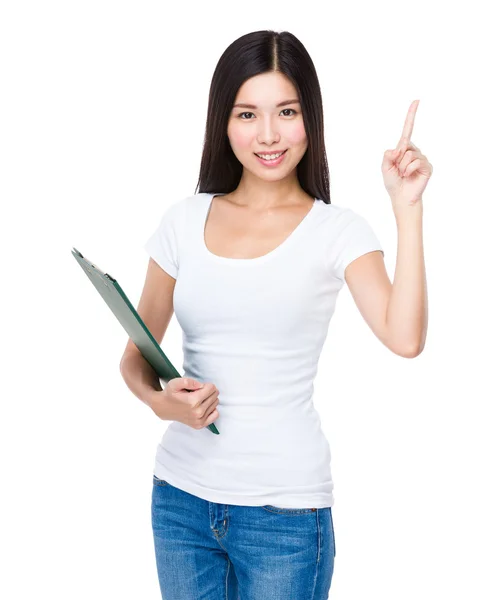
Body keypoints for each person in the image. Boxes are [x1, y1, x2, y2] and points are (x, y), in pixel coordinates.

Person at [119, 29, 430, 600]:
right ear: (224, 121)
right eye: (247, 114)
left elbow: (405, 337)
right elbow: (137, 353)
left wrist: (405, 208)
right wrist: (161, 401)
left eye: (286, 111)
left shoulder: (337, 232)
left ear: (310, 116)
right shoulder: (183, 220)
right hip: (181, 503)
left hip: (284, 516)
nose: (268, 135)